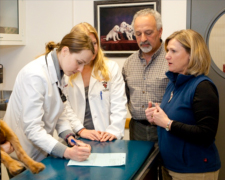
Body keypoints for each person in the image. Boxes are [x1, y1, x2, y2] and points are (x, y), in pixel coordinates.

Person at [3, 30, 94, 164]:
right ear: (65, 51)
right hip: (22, 154)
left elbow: (60, 112)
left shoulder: (61, 73)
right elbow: (32, 129)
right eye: (79, 62)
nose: (80, 69)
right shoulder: (35, 75)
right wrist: (67, 152)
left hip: (41, 152)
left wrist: (70, 138)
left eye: (83, 64)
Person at [145, 29, 221, 179]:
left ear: (191, 55)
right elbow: (179, 116)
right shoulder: (174, 83)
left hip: (194, 171)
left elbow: (206, 135)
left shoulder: (203, 87)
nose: (167, 56)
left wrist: (167, 123)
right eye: (167, 51)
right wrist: (157, 117)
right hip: (171, 167)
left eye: (173, 51)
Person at [64, 22, 127, 142]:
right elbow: (65, 108)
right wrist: (80, 130)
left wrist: (113, 131)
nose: (93, 48)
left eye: (94, 43)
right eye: (87, 44)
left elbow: (119, 104)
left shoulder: (111, 68)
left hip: (105, 137)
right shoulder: (67, 72)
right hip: (76, 136)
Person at [122, 9, 169, 141]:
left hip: (166, 128)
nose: (143, 39)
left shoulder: (171, 59)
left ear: (160, 31)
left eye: (148, 33)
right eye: (138, 34)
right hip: (137, 129)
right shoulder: (129, 63)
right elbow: (123, 98)